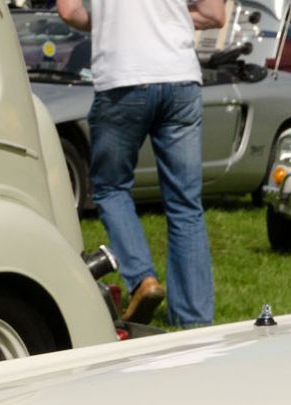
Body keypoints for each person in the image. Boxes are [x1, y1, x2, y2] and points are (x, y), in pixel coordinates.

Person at [55, 0, 224, 326]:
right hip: (180, 77)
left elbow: (68, 10)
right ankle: (195, 320)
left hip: (123, 77)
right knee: (185, 203)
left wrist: (108, 22)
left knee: (110, 188)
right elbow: (215, 14)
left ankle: (143, 279)